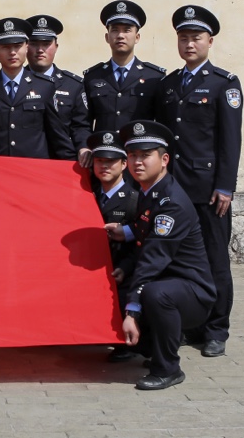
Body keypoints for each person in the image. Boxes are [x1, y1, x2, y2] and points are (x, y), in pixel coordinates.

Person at [154, 5, 243, 358]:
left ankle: (216, 328)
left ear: (210, 41)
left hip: (208, 190)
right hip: (175, 190)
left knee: (215, 259)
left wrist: (225, 186)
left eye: (196, 37)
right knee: (179, 260)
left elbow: (230, 140)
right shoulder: (169, 84)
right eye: (183, 37)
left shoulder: (224, 84)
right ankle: (191, 324)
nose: (189, 44)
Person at [105, 120, 216, 390]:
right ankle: (149, 348)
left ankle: (168, 368)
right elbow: (146, 238)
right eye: (132, 156)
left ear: (164, 159)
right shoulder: (149, 192)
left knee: (153, 296)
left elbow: (154, 257)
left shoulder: (171, 204)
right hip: (164, 279)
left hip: (191, 291)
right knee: (114, 292)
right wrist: (127, 257)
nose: (137, 162)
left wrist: (132, 311)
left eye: (146, 155)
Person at [0, 18, 74, 160]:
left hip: (33, 171)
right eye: (5, 47)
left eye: (17, 46)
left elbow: (57, 134)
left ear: (26, 47)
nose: (12, 52)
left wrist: (72, 167)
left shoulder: (45, 86)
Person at [88, 129, 141, 363]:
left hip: (121, 270)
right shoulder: (86, 195)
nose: (104, 166)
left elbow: (143, 244)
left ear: (123, 164)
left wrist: (127, 268)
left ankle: (124, 342)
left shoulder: (134, 200)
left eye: (111, 161)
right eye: (99, 161)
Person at [84, 0, 165, 132]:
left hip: (139, 150)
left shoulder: (154, 77)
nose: (120, 36)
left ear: (137, 37)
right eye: (115, 30)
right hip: (104, 150)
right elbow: (83, 123)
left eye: (127, 30)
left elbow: (162, 122)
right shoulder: (93, 77)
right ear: (107, 37)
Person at [26, 14, 93, 165]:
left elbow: (81, 126)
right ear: (25, 46)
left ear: (56, 46)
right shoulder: (14, 84)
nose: (40, 50)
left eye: (46, 44)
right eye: (34, 43)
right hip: (26, 162)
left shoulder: (73, 85)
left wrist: (83, 147)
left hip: (62, 163)